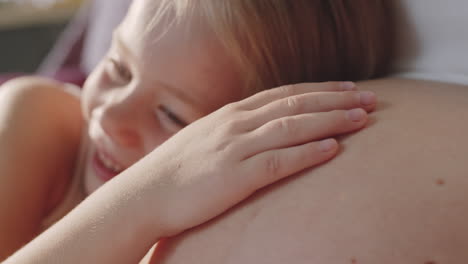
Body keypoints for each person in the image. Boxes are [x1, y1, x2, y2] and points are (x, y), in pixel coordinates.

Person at [0, 0, 390, 263]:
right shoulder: (39, 117)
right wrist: (146, 197)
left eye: (171, 114)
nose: (113, 115)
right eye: (119, 67)